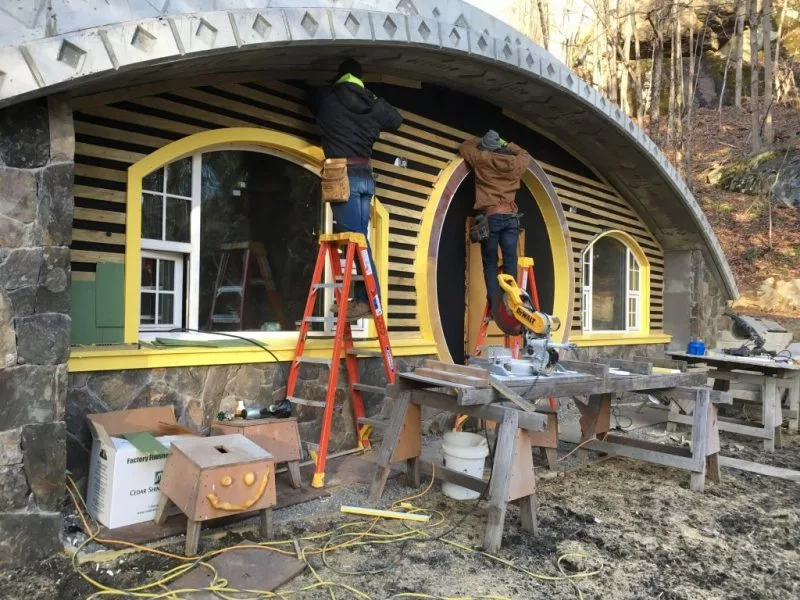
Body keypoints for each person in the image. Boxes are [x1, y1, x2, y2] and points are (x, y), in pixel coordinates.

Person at [309, 59, 403, 318]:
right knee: (360, 239)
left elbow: (311, 95)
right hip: (364, 177)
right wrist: (370, 96)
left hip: (342, 176)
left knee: (356, 240)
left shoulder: (328, 99)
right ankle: (366, 299)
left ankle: (368, 301)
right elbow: (396, 119)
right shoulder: (371, 103)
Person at [459, 130, 530, 311]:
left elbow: (465, 147)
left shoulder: (482, 159)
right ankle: (511, 303)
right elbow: (525, 154)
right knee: (510, 262)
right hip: (510, 218)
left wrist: (480, 139)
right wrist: (507, 144)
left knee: (490, 263)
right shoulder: (515, 163)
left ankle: (494, 305)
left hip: (491, 219)